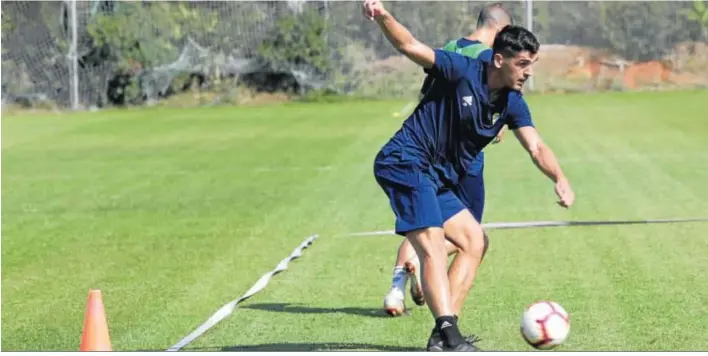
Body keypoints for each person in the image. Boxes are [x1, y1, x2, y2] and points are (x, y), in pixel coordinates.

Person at [363, 0, 575, 351]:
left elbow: (536, 147)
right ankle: (450, 336)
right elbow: (409, 46)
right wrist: (383, 15)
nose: (528, 72)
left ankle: (442, 336)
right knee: (432, 245)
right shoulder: (461, 69)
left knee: (474, 241)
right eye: (522, 64)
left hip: (436, 176)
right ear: (498, 60)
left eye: (531, 65)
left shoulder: (512, 102)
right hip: (405, 161)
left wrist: (560, 177)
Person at [383, 2, 514, 319]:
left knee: (425, 223)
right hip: (465, 162)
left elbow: (427, 92)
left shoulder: (453, 48)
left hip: (429, 155)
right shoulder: (488, 59)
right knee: (470, 236)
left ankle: (397, 286)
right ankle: (443, 313)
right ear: (497, 30)